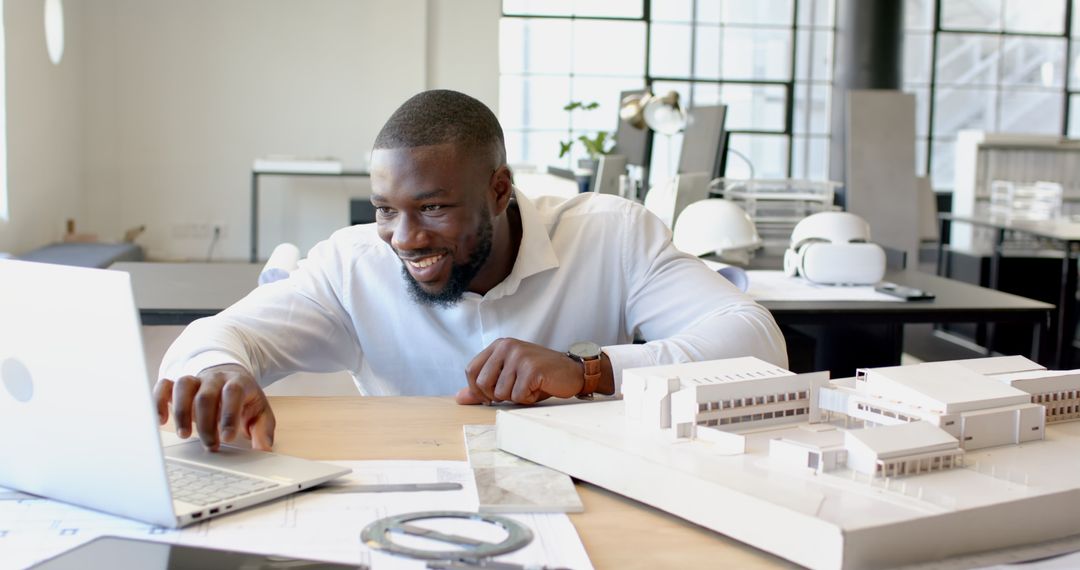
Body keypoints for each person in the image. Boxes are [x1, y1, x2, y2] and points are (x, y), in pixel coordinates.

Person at [155, 89, 787, 452]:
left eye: (433, 208)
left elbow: (759, 343)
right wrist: (218, 371)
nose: (405, 239)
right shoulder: (353, 265)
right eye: (386, 210)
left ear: (500, 189)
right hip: (411, 500)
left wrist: (588, 372)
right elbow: (217, 336)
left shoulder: (611, 235)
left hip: (590, 497)